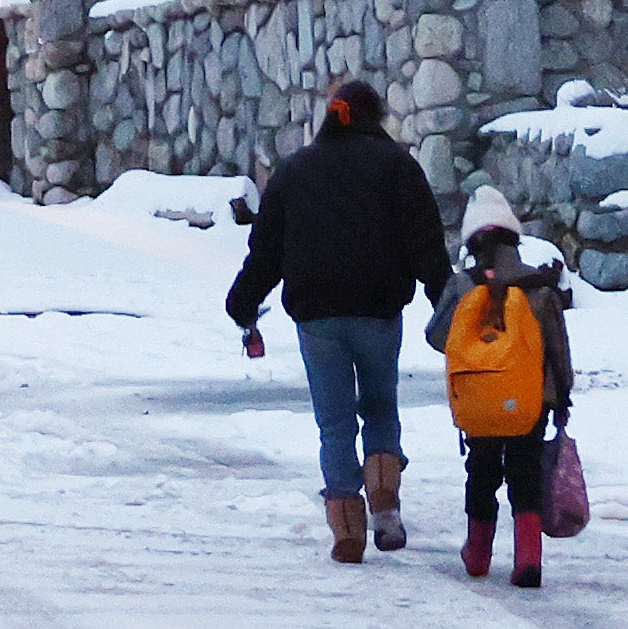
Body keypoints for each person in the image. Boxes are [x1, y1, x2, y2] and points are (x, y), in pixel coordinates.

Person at [228, 76, 450, 561]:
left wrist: (243, 303)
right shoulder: (397, 166)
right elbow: (425, 242)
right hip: (379, 311)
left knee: (334, 425)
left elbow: (265, 252)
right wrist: (447, 302)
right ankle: (386, 509)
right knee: (380, 408)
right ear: (376, 118)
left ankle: (348, 530)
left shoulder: (293, 171)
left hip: (316, 317)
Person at [432, 185, 576, 588]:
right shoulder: (539, 288)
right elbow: (557, 350)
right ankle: (528, 558)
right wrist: (562, 395)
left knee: (480, 472)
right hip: (530, 402)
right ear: (514, 237)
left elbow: (436, 335)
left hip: (479, 403)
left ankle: (478, 553)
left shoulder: (462, 287)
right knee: (525, 472)